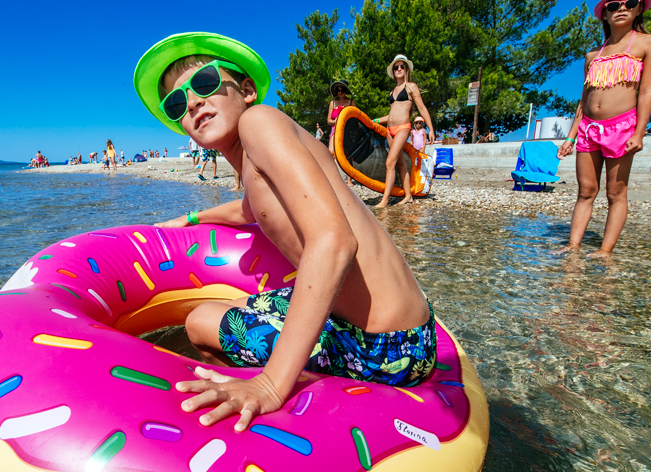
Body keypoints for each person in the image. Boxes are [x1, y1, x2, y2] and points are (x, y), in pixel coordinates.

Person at [135, 31, 436, 432]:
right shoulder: (253, 155)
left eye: (204, 82)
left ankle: (275, 408)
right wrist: (191, 219)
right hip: (404, 330)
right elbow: (251, 209)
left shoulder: (260, 122)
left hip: (385, 348)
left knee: (201, 321)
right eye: (177, 103)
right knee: (247, 302)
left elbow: (335, 241)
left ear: (246, 91)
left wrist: (271, 385)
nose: (191, 102)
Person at [556, 0, 651, 256]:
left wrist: (640, 131)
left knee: (615, 193)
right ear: (604, 12)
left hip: (622, 126)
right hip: (589, 127)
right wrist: (571, 135)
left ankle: (605, 250)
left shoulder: (648, 44)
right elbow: (584, 99)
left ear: (640, 8)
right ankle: (573, 245)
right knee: (586, 190)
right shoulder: (593, 56)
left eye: (630, 3)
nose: (622, 9)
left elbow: (646, 90)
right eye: (614, 5)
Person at [372, 55, 435, 208]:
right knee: (400, 164)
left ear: (406, 70)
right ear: (393, 71)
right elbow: (391, 114)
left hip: (402, 128)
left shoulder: (411, 87)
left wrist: (431, 128)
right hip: (390, 129)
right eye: (396, 67)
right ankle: (408, 196)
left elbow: (422, 108)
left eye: (402, 66)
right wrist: (376, 121)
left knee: (390, 163)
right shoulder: (392, 91)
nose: (399, 69)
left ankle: (384, 200)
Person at [325, 80, 354, 154]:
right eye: (338, 90)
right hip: (335, 130)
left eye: (342, 90)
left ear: (346, 90)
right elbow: (328, 120)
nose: (340, 92)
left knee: (346, 155)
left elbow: (356, 117)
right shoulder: (333, 103)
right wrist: (336, 121)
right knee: (331, 152)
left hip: (348, 131)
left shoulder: (351, 102)